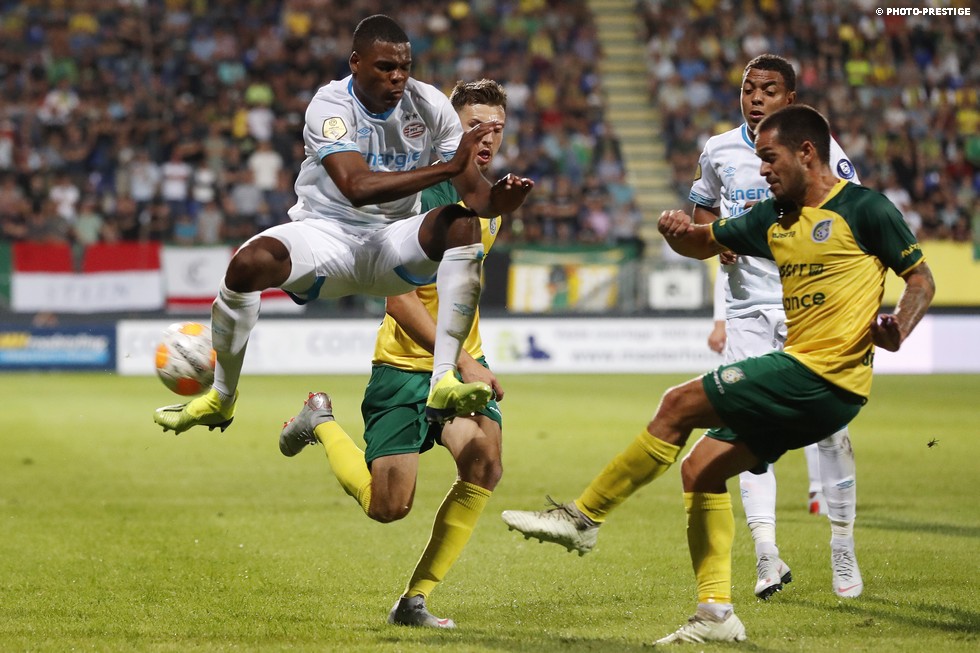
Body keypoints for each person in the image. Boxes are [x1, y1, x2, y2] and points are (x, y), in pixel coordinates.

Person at [501, 104, 935, 644]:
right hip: (813, 385)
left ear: (807, 152)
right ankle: (715, 613)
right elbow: (702, 242)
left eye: (771, 158)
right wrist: (675, 233)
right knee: (701, 470)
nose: (763, 170)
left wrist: (899, 327)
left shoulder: (864, 208)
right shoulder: (774, 218)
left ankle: (582, 519)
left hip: (822, 374)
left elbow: (920, 278)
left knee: (677, 404)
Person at [153, 15, 532, 434]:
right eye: (385, 67)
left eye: (404, 67)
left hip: (393, 241)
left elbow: (477, 197)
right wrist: (447, 167)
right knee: (248, 263)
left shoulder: (429, 104)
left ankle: (443, 380)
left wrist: (502, 201)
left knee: (462, 223)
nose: (397, 77)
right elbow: (356, 187)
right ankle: (222, 397)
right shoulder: (330, 106)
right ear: (356, 62)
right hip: (325, 236)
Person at [277, 79, 513, 629]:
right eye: (475, 126)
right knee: (388, 507)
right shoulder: (416, 197)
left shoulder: (491, 203)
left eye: (497, 128)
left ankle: (415, 599)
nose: (486, 138)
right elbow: (396, 296)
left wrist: (466, 360)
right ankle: (320, 422)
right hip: (405, 367)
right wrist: (460, 360)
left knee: (484, 460)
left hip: (460, 368)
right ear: (449, 126)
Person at [690, 54, 863, 599]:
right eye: (748, 89)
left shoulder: (823, 151)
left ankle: (842, 545)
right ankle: (767, 555)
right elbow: (702, 212)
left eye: (768, 90)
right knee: (747, 428)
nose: (756, 98)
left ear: (790, 99)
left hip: (809, 307)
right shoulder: (718, 150)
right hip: (746, 308)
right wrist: (717, 238)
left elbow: (851, 215)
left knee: (831, 428)